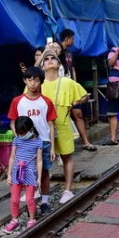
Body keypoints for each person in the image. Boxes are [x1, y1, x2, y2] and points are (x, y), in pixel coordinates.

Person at [37, 49, 86, 204]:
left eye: (53, 58)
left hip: (62, 124)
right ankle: (38, 190)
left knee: (66, 156)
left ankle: (67, 190)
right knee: (40, 159)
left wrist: (74, 103)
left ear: (59, 64)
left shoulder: (67, 82)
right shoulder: (38, 83)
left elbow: (84, 95)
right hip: (42, 128)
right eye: (46, 59)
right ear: (43, 65)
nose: (50, 60)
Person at [8, 67, 56, 214]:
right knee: (24, 170)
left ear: (41, 81)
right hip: (24, 144)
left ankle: (45, 202)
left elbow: (51, 124)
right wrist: (19, 136)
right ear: (25, 81)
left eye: (36, 80)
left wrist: (53, 147)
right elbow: (12, 121)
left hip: (43, 141)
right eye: (30, 80)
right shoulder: (17, 101)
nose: (33, 83)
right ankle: (30, 201)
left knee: (45, 172)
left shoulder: (46, 101)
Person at [2, 116, 43, 234]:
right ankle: (14, 220)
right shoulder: (16, 140)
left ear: (31, 129)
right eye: (19, 132)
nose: (21, 135)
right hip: (16, 172)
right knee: (14, 199)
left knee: (30, 198)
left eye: (23, 132)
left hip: (30, 173)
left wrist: (39, 177)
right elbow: (12, 157)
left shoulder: (38, 142)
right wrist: (9, 174)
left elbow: (39, 161)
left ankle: (32, 220)